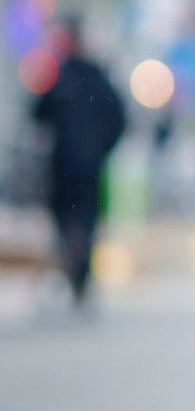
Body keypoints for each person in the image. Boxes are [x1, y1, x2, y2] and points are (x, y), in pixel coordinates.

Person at [31, 20, 126, 306]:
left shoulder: (67, 79)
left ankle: (77, 268)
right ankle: (78, 269)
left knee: (72, 218)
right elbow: (118, 119)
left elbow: (38, 114)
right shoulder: (89, 80)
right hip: (81, 165)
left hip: (71, 165)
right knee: (80, 219)